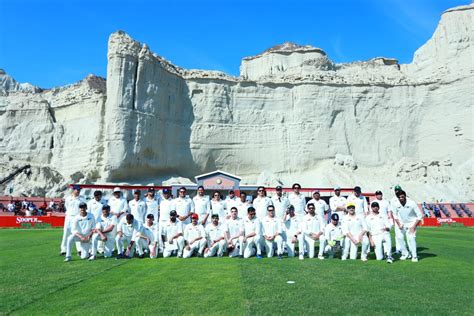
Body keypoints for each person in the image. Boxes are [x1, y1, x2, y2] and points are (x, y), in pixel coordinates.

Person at [392, 190, 422, 262]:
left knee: (411, 238)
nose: (401, 198)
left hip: (412, 223)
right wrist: (399, 224)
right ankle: (405, 254)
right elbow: (395, 215)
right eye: (399, 197)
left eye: (402, 196)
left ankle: (414, 256)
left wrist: (413, 227)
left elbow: (419, 216)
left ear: (405, 196)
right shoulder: (396, 204)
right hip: (402, 223)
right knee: (399, 237)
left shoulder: (412, 203)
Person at [60, 185, 85, 255]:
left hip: (77, 217)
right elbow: (67, 206)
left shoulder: (82, 198)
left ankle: (79, 250)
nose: (78, 191)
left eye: (79, 190)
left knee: (77, 233)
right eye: (77, 190)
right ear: (73, 190)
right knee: (66, 233)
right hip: (69, 217)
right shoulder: (68, 198)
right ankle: (63, 250)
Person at [390, 185, 404, 254]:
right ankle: (398, 249)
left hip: (405, 219)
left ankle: (406, 249)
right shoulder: (393, 200)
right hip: (397, 219)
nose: (397, 191)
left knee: (408, 235)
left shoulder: (405, 197)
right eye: (396, 190)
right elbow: (393, 212)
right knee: (398, 235)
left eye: (398, 190)